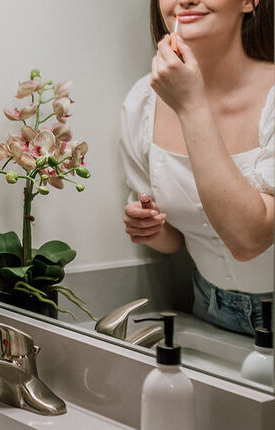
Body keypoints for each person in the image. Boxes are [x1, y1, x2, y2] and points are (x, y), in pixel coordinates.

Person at [121, 0, 274, 336]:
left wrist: (190, 106)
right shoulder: (141, 104)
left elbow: (249, 239)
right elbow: (175, 239)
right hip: (208, 312)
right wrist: (151, 229)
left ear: (250, 2)